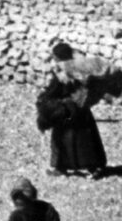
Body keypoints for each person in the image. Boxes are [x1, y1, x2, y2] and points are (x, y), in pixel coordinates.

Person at [36, 40, 112, 178]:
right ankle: (93, 167)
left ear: (57, 58)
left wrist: (44, 101)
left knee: (61, 138)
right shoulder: (80, 68)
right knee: (85, 139)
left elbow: (55, 90)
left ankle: (61, 168)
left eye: (54, 57)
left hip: (66, 110)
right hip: (81, 108)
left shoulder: (62, 72)